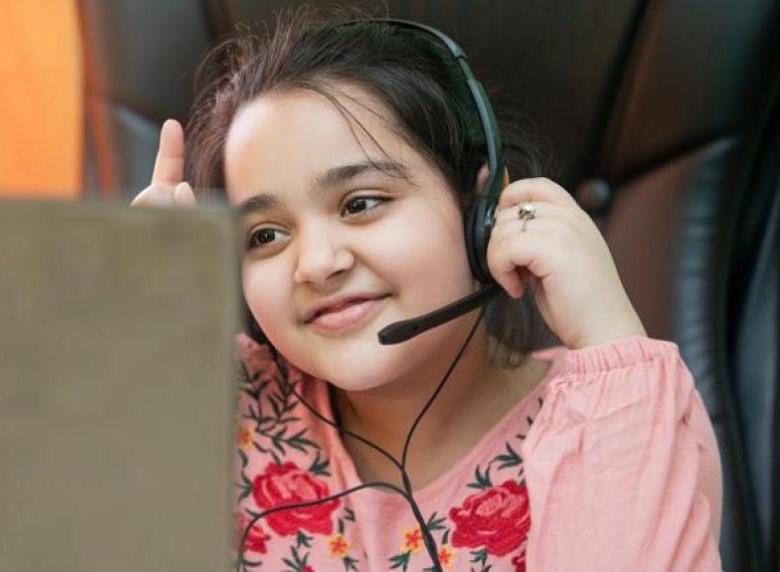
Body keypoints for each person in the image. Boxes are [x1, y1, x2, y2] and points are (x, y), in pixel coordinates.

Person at [132, 7, 722, 571]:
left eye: (360, 203)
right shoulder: (212, 400)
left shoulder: (627, 415)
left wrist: (607, 340)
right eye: (265, 235)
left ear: (483, 208)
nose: (315, 264)